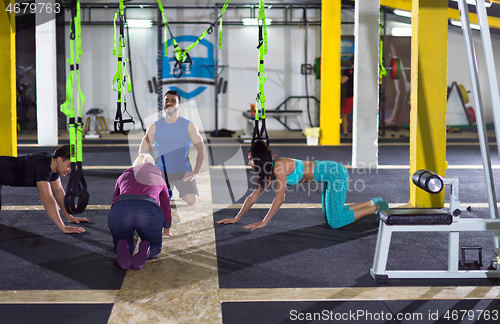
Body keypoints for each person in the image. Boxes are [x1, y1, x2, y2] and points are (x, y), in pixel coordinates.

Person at [217, 140, 389, 230]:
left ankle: (375, 209)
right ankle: (373, 202)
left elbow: (280, 198)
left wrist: (264, 222)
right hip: (329, 176)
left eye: (250, 159)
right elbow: (253, 196)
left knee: (335, 222)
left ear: (258, 159)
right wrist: (237, 218)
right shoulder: (270, 171)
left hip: (335, 173)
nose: (248, 163)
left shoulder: (279, 166)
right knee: (331, 217)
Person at [0, 145, 90, 234]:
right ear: (59, 160)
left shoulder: (53, 167)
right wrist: (63, 227)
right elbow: (47, 200)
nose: (71, 170)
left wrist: (69, 217)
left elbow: (58, 191)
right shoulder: (43, 167)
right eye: (69, 166)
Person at [139, 90, 205, 206]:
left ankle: (169, 188)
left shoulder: (189, 126)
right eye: (167, 101)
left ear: (179, 105)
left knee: (191, 200)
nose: (169, 103)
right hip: (161, 171)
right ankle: (167, 189)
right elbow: (142, 151)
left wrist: (196, 172)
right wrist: (146, 170)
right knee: (155, 201)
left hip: (182, 171)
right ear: (163, 104)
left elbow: (201, 149)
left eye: (173, 101)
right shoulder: (154, 127)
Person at [108, 153, 171, 270]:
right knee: (155, 247)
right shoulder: (159, 179)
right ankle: (147, 248)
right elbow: (165, 207)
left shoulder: (122, 177)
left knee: (122, 241)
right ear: (152, 166)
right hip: (149, 210)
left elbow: (114, 200)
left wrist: (124, 228)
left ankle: (123, 246)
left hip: (121, 209)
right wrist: (167, 226)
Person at [341, 62, 354, 137]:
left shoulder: (350, 70)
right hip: (363, 96)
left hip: (351, 96)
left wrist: (337, 71)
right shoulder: (364, 70)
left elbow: (342, 80)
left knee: (344, 114)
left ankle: (345, 133)